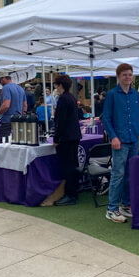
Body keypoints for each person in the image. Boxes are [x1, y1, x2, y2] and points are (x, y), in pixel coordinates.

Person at [102, 63, 139, 223]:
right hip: (120, 140)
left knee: (130, 174)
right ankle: (111, 208)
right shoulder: (112, 95)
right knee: (118, 174)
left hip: (134, 139)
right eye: (125, 74)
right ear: (118, 76)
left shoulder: (135, 95)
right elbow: (106, 117)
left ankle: (126, 205)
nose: (128, 77)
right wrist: (113, 137)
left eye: (130, 74)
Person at [52, 75, 82, 206]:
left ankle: (70, 194)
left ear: (60, 85)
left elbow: (61, 121)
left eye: (56, 85)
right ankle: (73, 191)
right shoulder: (71, 97)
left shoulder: (63, 99)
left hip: (67, 138)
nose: (55, 88)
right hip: (74, 136)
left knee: (68, 166)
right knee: (73, 164)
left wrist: (56, 138)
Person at [0, 75, 27, 139]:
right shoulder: (20, 88)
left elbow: (6, 105)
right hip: (18, 120)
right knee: (17, 142)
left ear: (3, 79)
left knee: (4, 143)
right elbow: (25, 105)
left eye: (0, 81)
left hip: (7, 121)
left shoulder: (6, 87)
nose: (0, 84)